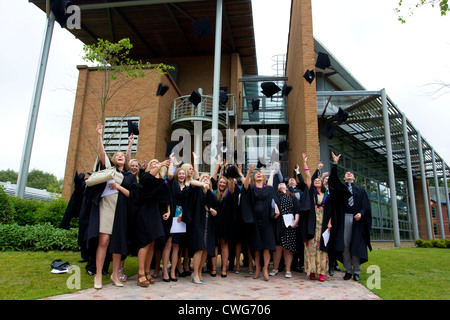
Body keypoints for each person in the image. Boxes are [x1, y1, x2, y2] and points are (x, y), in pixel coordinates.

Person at [89, 123, 138, 289]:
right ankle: (98, 276)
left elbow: (132, 195)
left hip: (121, 212)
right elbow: (102, 154)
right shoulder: (109, 169)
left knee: (117, 244)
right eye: (117, 155)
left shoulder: (128, 177)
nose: (120, 156)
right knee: (104, 241)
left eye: (122, 155)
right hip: (107, 209)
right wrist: (99, 135)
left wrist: (130, 144)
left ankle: (116, 275)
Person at [328, 152, 372, 281]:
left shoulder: (361, 191)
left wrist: (361, 214)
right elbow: (333, 180)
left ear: (354, 177)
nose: (348, 174)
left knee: (356, 245)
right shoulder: (341, 189)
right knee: (345, 245)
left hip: (357, 220)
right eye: (346, 173)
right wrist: (335, 164)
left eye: (351, 173)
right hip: (344, 219)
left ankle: (356, 271)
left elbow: (366, 205)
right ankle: (348, 270)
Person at [134, 160, 171, 287]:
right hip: (144, 210)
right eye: (154, 162)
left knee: (152, 242)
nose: (157, 163)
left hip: (155, 211)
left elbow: (167, 196)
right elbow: (146, 179)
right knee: (145, 241)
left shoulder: (161, 180)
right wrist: (160, 165)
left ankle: (146, 270)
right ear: (150, 165)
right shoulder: (145, 177)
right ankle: (140, 273)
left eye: (158, 162)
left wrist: (168, 210)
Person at [241, 164, 280, 281]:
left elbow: (274, 200)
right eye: (256, 174)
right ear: (253, 177)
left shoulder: (268, 188)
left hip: (267, 220)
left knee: (267, 246)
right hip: (255, 221)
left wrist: (276, 209)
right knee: (257, 247)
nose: (258, 174)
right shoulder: (252, 188)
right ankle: (257, 268)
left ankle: (265, 269)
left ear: (264, 178)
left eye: (261, 174)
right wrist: (248, 172)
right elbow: (245, 186)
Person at [299, 153, 333, 282]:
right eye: (316, 180)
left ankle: (322, 272)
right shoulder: (311, 192)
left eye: (319, 180)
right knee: (311, 246)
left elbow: (331, 211)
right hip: (311, 222)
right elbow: (308, 176)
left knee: (322, 247)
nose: (317, 181)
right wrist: (305, 163)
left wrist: (330, 222)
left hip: (323, 223)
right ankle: (312, 271)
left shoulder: (327, 196)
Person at [268, 165, 301, 279]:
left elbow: (297, 210)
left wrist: (296, 221)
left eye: (283, 184)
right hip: (278, 223)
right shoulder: (276, 195)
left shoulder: (292, 197)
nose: (281, 184)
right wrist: (272, 173)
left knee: (288, 248)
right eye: (280, 184)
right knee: (278, 247)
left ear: (287, 187)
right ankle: (275, 268)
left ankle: (288, 269)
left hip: (290, 224)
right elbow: (269, 187)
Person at [185, 173, 218, 284]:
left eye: (208, 178)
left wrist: (211, 210)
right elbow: (191, 182)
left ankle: (199, 271)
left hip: (208, 225)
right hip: (197, 223)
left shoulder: (212, 195)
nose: (206, 179)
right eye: (204, 177)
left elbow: (216, 212)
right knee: (199, 248)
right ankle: (194, 274)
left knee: (205, 249)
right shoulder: (197, 191)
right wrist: (202, 184)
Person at [210, 159, 236, 278]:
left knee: (224, 245)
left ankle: (224, 269)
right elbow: (213, 178)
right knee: (215, 245)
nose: (221, 184)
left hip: (225, 222)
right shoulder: (214, 193)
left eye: (223, 183)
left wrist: (229, 171)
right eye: (220, 182)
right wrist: (218, 166)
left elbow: (232, 188)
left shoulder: (228, 193)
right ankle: (214, 268)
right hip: (214, 222)